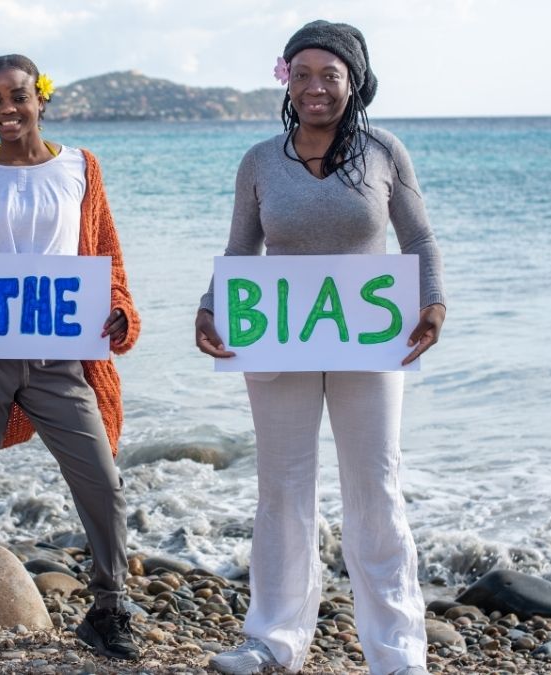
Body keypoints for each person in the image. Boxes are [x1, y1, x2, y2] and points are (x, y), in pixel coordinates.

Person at [195, 20, 446, 675]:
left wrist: (434, 299)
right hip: (276, 335)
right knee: (281, 486)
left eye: (329, 75)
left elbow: (417, 240)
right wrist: (208, 307)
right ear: (286, 79)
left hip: (372, 336)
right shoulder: (258, 160)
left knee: (376, 487)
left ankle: (398, 651)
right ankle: (273, 637)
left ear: (353, 82)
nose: (314, 88)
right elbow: (240, 250)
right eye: (301, 74)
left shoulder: (385, 151)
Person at [0, 54, 141, 660]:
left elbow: (107, 259)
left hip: (59, 351)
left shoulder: (81, 168)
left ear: (41, 98)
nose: (7, 109)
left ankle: (108, 605)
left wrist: (118, 309)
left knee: (100, 476)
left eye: (18, 95)